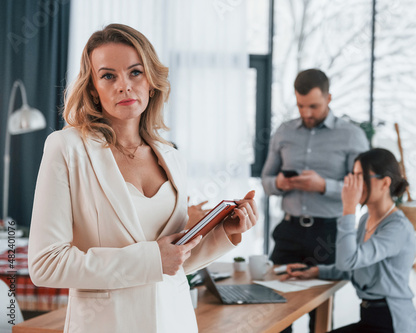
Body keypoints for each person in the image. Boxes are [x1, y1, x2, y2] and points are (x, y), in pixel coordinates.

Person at [28, 24, 257, 333]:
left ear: (151, 81)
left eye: (135, 72)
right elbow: (47, 265)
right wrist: (149, 259)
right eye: (108, 76)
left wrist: (223, 233)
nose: (124, 85)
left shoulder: (172, 156)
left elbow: (171, 263)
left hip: (174, 323)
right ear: (93, 88)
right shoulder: (67, 148)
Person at [261, 69, 369, 332]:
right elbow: (266, 179)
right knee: (274, 302)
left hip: (328, 233)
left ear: (329, 98)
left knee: (319, 309)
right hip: (289, 230)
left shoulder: (351, 135)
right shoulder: (284, 132)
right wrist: (279, 183)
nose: (307, 113)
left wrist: (324, 186)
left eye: (314, 106)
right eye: (300, 106)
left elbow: (364, 187)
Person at [282, 148, 416, 333]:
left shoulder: (398, 228)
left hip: (392, 323)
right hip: (371, 319)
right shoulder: (366, 219)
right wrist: (316, 271)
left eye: (361, 177)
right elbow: (356, 267)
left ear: (385, 183)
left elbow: (348, 260)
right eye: (353, 176)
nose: (354, 184)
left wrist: (348, 209)